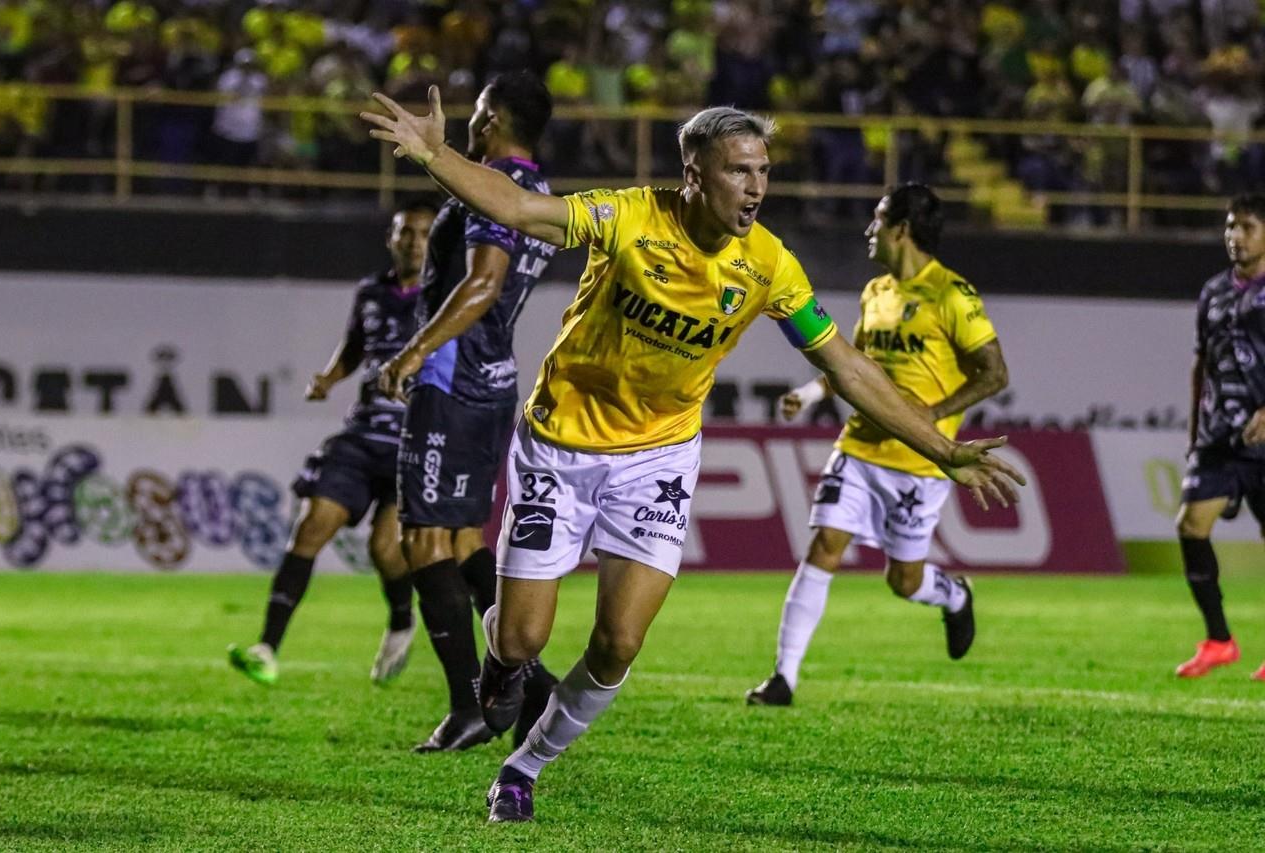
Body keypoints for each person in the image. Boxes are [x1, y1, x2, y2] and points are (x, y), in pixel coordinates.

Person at [361, 91, 1024, 823]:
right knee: (520, 636)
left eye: (763, 170)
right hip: (561, 446)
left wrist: (943, 446)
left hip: (658, 459)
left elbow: (845, 366)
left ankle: (525, 766)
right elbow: (521, 210)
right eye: (739, 170)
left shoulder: (770, 264)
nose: (756, 186)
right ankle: (504, 669)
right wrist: (433, 154)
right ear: (694, 173)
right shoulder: (630, 217)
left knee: (618, 643)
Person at [746, 183, 1010, 707]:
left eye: (877, 220)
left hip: (922, 461)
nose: (869, 230)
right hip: (860, 449)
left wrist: (930, 417)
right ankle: (784, 678)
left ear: (902, 230)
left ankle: (954, 595)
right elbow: (853, 368)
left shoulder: (952, 294)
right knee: (823, 547)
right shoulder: (876, 293)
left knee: (904, 581)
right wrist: (809, 391)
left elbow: (995, 372)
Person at [375, 71, 559, 753]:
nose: (472, 124)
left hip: (452, 378)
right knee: (461, 542)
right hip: (496, 379)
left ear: (496, 119)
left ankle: (469, 705)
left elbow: (482, 281)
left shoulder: (495, 190)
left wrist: (414, 351)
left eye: (480, 113)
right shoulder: (537, 194)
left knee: (420, 540)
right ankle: (535, 687)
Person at [227, 203, 435, 687]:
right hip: (362, 434)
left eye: (424, 235)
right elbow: (356, 347)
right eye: (407, 233)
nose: (414, 243)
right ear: (392, 238)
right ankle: (267, 647)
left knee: (387, 549)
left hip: (416, 438)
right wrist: (330, 377)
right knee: (311, 525)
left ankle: (402, 620)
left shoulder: (446, 296)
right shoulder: (370, 291)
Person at [1173, 193, 1265, 681]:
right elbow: (1200, 363)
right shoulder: (1213, 292)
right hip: (1219, 436)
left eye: (1247, 227)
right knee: (1190, 525)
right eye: (1231, 227)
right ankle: (1218, 640)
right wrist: (1194, 431)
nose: (1235, 237)